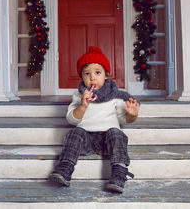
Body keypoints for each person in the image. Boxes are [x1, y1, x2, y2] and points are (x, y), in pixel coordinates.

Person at [48, 46, 140, 193]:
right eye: (87, 74)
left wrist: (132, 115)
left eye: (97, 72)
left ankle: (119, 173)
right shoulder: (79, 96)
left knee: (117, 133)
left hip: (108, 140)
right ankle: (65, 168)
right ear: (82, 77)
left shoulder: (115, 96)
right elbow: (72, 119)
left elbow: (124, 120)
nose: (92, 77)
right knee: (75, 133)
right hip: (86, 140)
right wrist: (83, 106)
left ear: (106, 75)